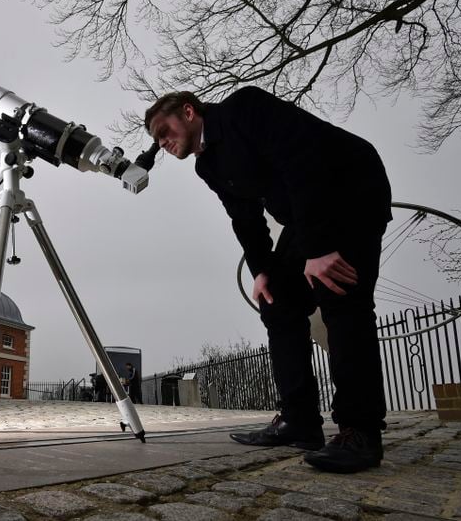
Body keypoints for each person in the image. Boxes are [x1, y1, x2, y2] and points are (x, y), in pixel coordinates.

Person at [145, 86, 392, 473]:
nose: (162, 143)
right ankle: (299, 420)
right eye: (157, 140)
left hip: (350, 189)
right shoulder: (207, 165)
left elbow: (302, 160)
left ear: (189, 112)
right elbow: (244, 217)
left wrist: (318, 248)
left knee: (341, 297)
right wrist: (262, 270)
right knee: (276, 297)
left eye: (164, 131)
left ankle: (359, 430)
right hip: (304, 214)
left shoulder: (245, 108)